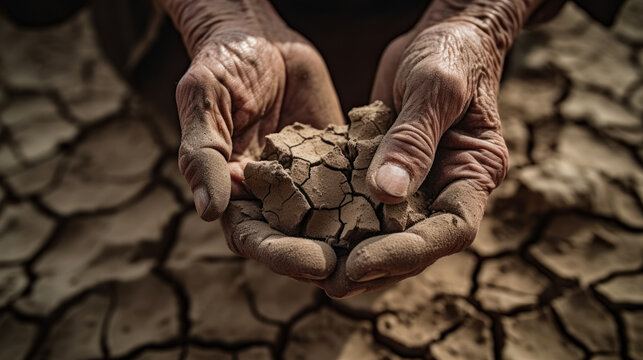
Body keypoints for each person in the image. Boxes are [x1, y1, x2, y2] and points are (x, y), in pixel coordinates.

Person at [0, 0, 626, 297]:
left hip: (427, 33)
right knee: (222, 144)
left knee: (432, 115)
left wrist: (482, 18)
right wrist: (216, 17)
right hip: (193, 35)